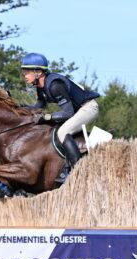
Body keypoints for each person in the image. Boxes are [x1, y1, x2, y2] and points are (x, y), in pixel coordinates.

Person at [21, 52, 100, 182]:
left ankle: (77, 171)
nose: (24, 75)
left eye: (27, 71)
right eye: (24, 72)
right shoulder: (41, 86)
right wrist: (18, 107)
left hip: (88, 108)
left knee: (63, 132)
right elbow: (39, 106)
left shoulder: (55, 85)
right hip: (78, 110)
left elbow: (68, 113)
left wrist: (45, 117)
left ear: (38, 72)